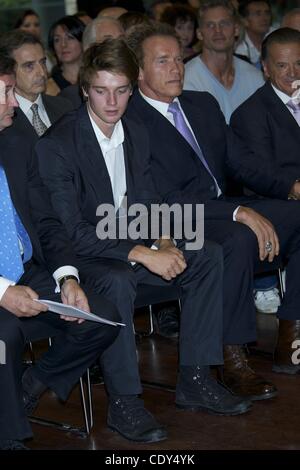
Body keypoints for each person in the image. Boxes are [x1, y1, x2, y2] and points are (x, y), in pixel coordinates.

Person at [36, 38, 252, 443]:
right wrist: (143, 252)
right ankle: (125, 401)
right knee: (118, 279)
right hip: (86, 255)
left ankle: (195, 378)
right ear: (85, 89)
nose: (112, 101)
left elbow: (150, 201)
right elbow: (72, 231)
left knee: (205, 254)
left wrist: (166, 242)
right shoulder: (59, 145)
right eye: (101, 91)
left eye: (121, 90)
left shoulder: (134, 131)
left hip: (130, 238)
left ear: (132, 91)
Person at [126, 22, 300, 386]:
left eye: (178, 59)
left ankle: (292, 335)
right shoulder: (130, 121)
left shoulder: (200, 104)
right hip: (175, 220)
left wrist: (290, 186)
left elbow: (241, 163)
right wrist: (239, 211)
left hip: (222, 206)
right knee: (235, 238)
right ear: (138, 71)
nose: (176, 68)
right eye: (163, 61)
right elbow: (162, 200)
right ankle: (231, 354)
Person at [0, 51, 121, 450]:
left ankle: (30, 386)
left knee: (100, 314)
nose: (14, 102)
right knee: (4, 335)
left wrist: (67, 277)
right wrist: (3, 292)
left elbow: (47, 220)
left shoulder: (18, 143)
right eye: (4, 93)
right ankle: (10, 436)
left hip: (24, 268)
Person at [230, 28, 300, 206]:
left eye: (299, 63)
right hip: (285, 206)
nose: (293, 73)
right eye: (282, 65)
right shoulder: (249, 115)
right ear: (266, 68)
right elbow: (263, 177)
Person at [183, 0, 264, 123]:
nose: (218, 31)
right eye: (210, 25)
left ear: (236, 29)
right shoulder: (187, 78)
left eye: (224, 23)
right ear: (199, 33)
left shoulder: (256, 78)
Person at [0, 30, 73, 145]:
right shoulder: (4, 117)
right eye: (29, 66)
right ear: (9, 70)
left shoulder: (65, 107)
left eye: (43, 63)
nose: (42, 73)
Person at [48, 16, 85, 95]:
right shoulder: (48, 88)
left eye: (70, 38)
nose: (63, 45)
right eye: (57, 40)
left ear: (83, 41)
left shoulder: (97, 78)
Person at [235, 0, 272, 68]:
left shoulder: (276, 35)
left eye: (267, 13)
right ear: (244, 21)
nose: (264, 18)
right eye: (258, 14)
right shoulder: (237, 48)